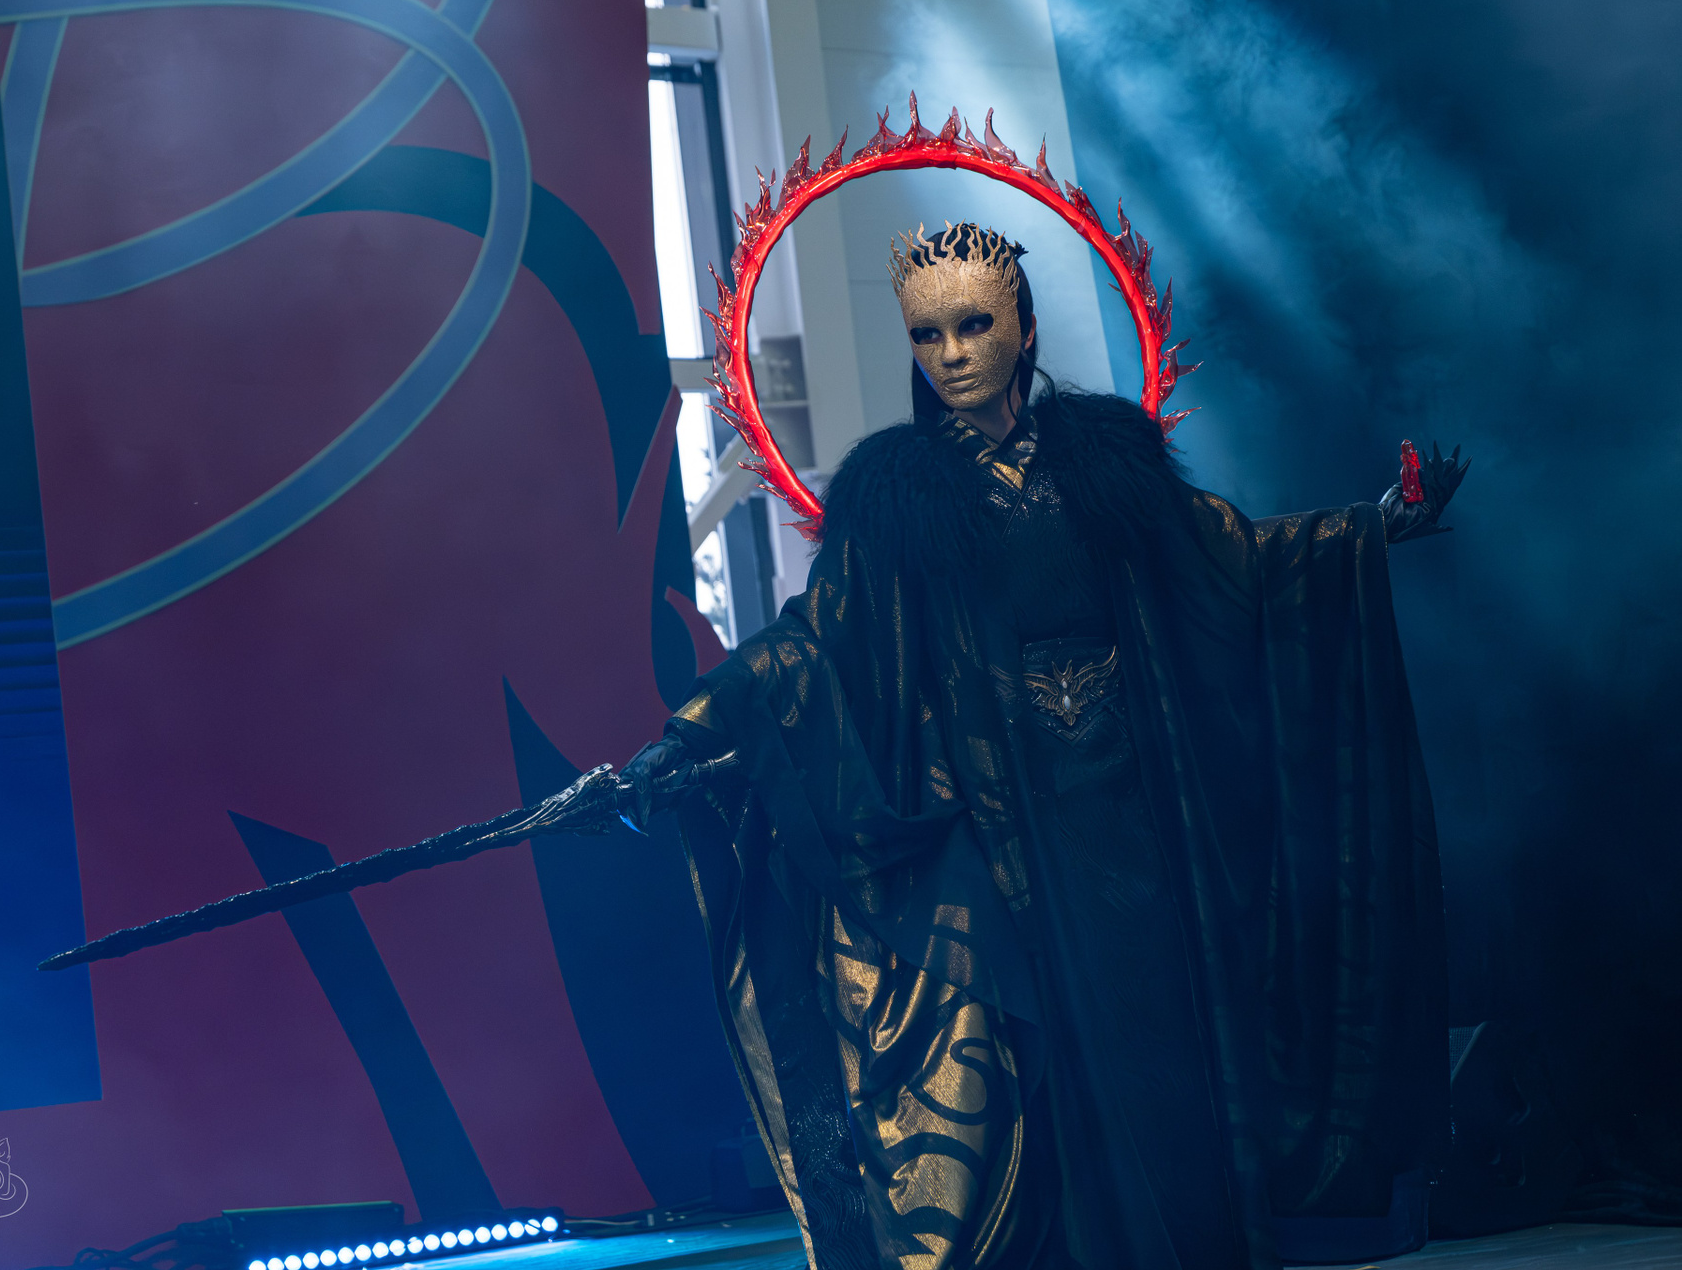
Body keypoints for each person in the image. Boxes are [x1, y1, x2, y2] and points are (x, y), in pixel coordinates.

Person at [623, 223, 1461, 1270]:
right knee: (1048, 1058)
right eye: (928, 336)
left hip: (1137, 807)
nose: (953, 354)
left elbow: (1232, 558)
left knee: (1164, 1038)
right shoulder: (895, 495)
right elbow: (815, 638)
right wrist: (693, 729)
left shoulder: (1106, 456)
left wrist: (1368, 529)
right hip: (1008, 812)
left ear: (1023, 327)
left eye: (974, 325)